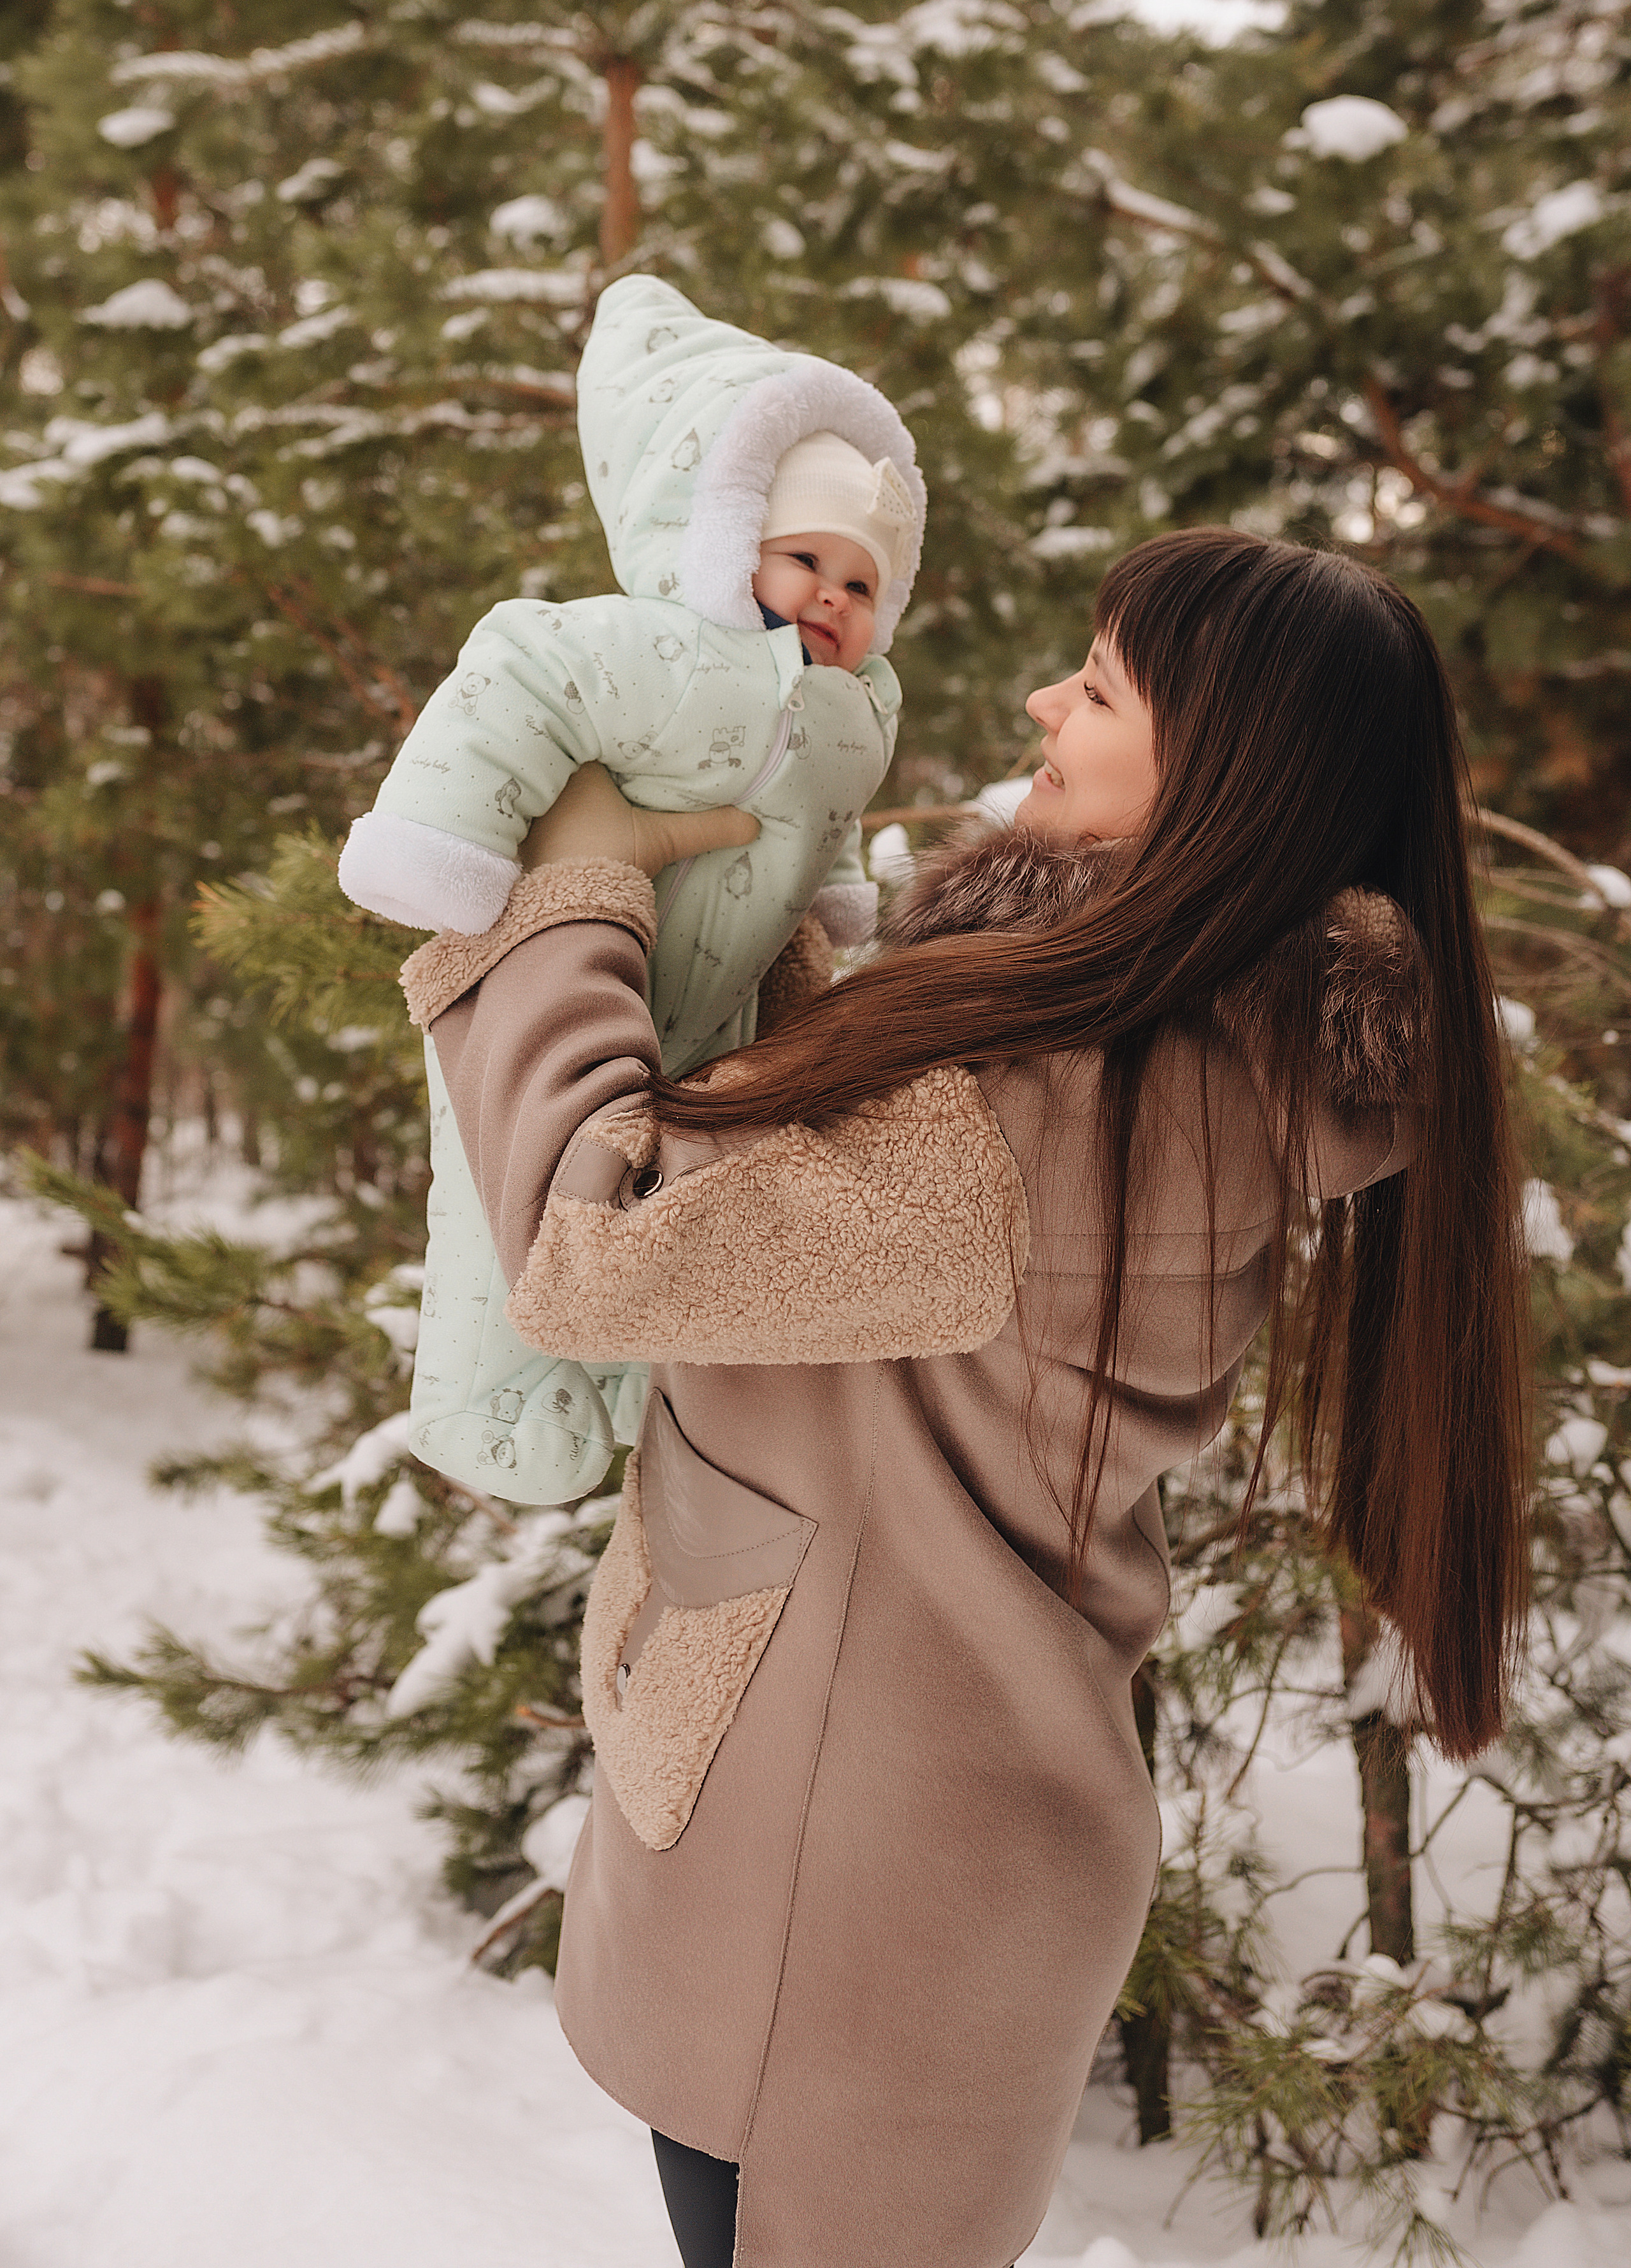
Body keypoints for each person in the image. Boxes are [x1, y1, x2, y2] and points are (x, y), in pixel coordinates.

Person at [398, 528, 1529, 2268]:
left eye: (1095, 686)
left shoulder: (1050, 1096)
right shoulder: (1165, 1045)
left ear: (1219, 774)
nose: (1040, 702)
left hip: (840, 1880)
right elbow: (848, 1221)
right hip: (914, 1839)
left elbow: (602, 1243)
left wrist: (581, 890)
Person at [336, 273, 925, 1502]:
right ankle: (478, 1415)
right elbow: (516, 679)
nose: (832, 594)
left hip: (713, 1008)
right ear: (723, 536)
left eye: (863, 583)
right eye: (804, 557)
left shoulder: (858, 711)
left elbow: (832, 813)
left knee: (642, 1197)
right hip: (557, 956)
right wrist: (440, 836)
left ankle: (612, 1389)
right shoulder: (647, 649)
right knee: (504, 1191)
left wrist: (834, 908)